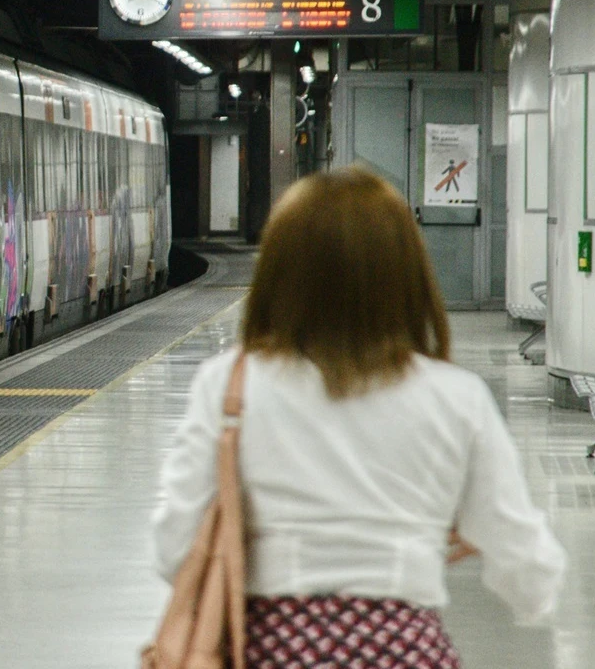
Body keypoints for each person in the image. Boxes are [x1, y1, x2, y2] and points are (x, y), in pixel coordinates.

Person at [151, 167, 565, 668]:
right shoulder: (456, 397)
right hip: (404, 648)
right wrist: (533, 598)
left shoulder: (229, 384)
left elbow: (176, 543)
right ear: (406, 275)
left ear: (278, 274)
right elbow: (523, 557)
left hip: (271, 647)